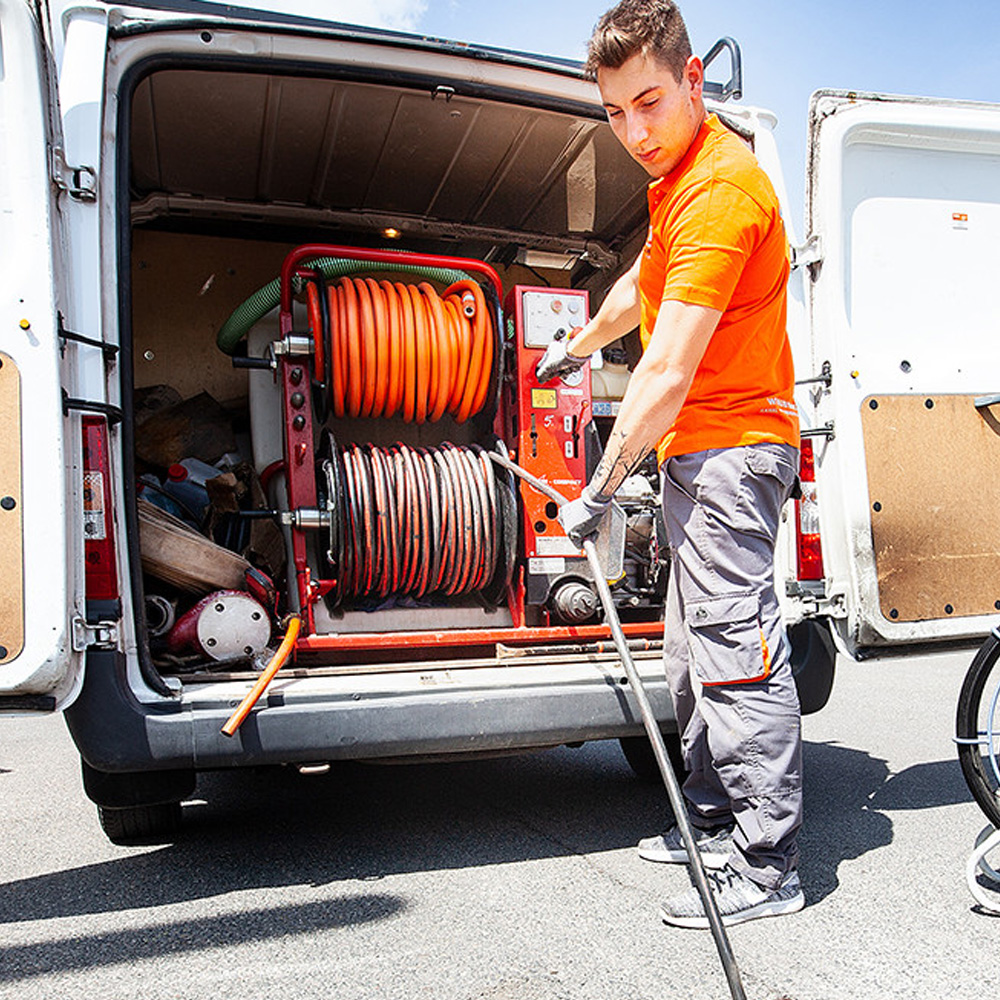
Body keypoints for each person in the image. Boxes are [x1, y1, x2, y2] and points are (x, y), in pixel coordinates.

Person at [536, 0, 803, 928]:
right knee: (692, 652)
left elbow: (668, 365)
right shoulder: (677, 184)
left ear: (693, 80)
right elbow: (639, 293)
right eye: (614, 114)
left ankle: (769, 866)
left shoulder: (724, 188)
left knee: (735, 655)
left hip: (734, 449)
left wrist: (597, 493)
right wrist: (575, 347)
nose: (633, 131)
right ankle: (716, 819)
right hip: (698, 451)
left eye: (648, 102)